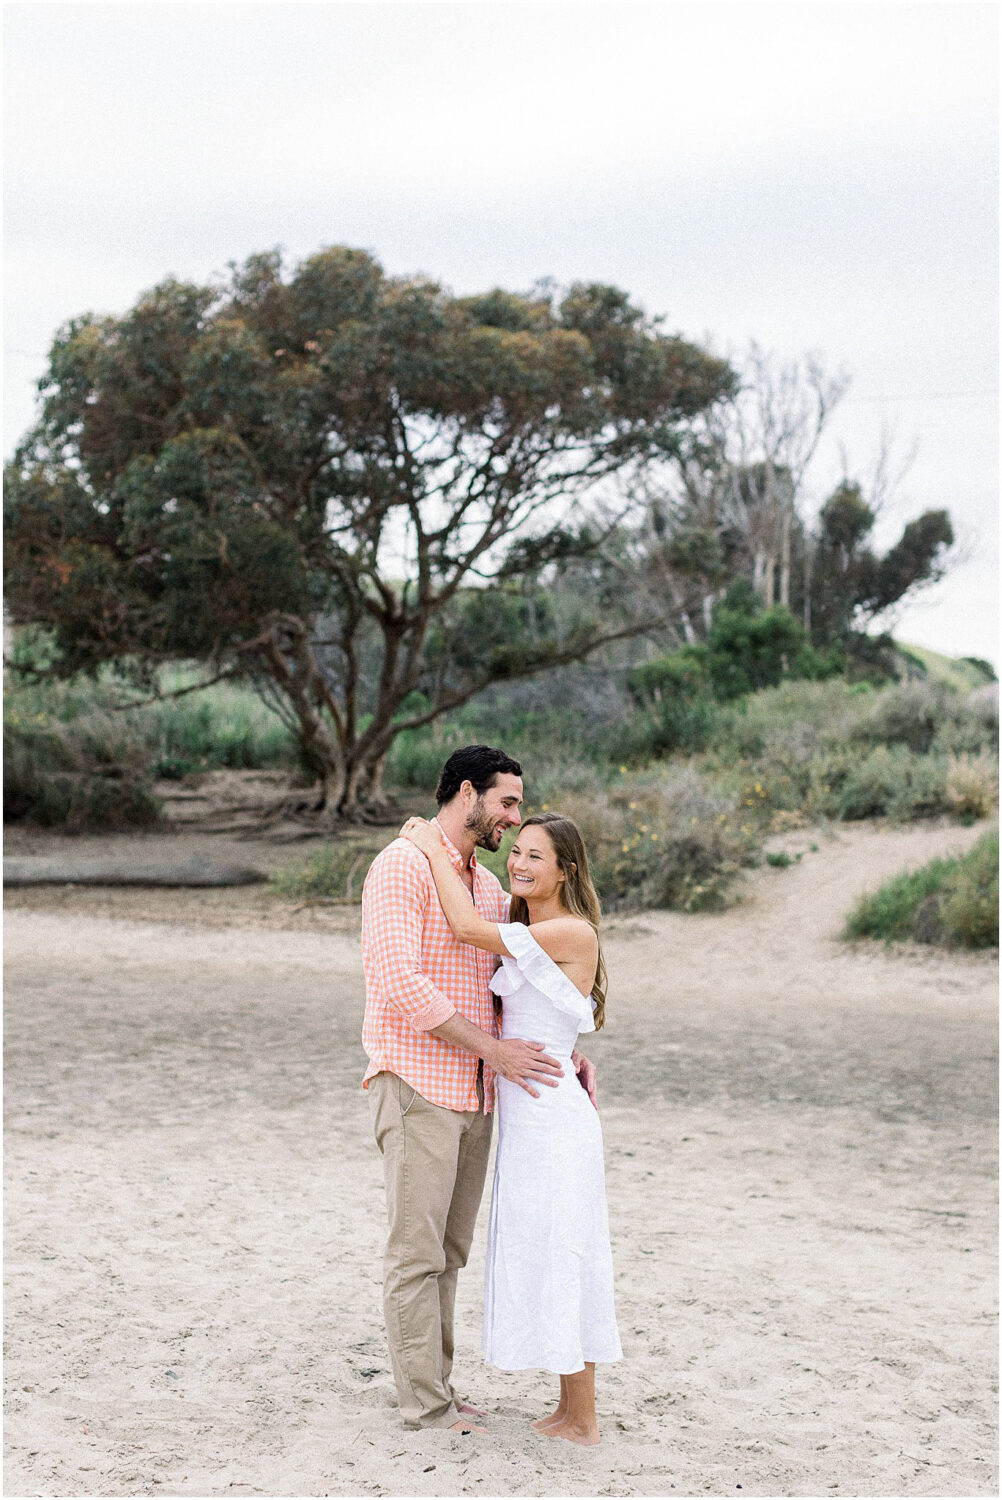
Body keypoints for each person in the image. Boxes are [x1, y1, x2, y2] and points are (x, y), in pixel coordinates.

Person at [360, 746, 597, 1434]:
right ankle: (426, 1407)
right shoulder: (401, 865)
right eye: (508, 803)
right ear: (469, 794)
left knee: (450, 1253)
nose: (512, 818)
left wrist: (566, 1053)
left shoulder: (487, 887)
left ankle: (438, 1387)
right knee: (415, 1253)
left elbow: (517, 976)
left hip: (477, 1095)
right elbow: (401, 984)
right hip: (417, 1084)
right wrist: (493, 1050)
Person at [399, 809, 622, 1446]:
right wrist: (575, 1052)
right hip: (528, 1113)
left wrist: (428, 848)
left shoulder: (573, 931)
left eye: (534, 856)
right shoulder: (528, 926)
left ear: (566, 870)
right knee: (543, 1250)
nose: (519, 864)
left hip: (552, 1117)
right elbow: (536, 1015)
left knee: (565, 1252)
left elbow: (466, 927)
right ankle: (567, 1408)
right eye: (516, 852)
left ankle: (582, 1418)